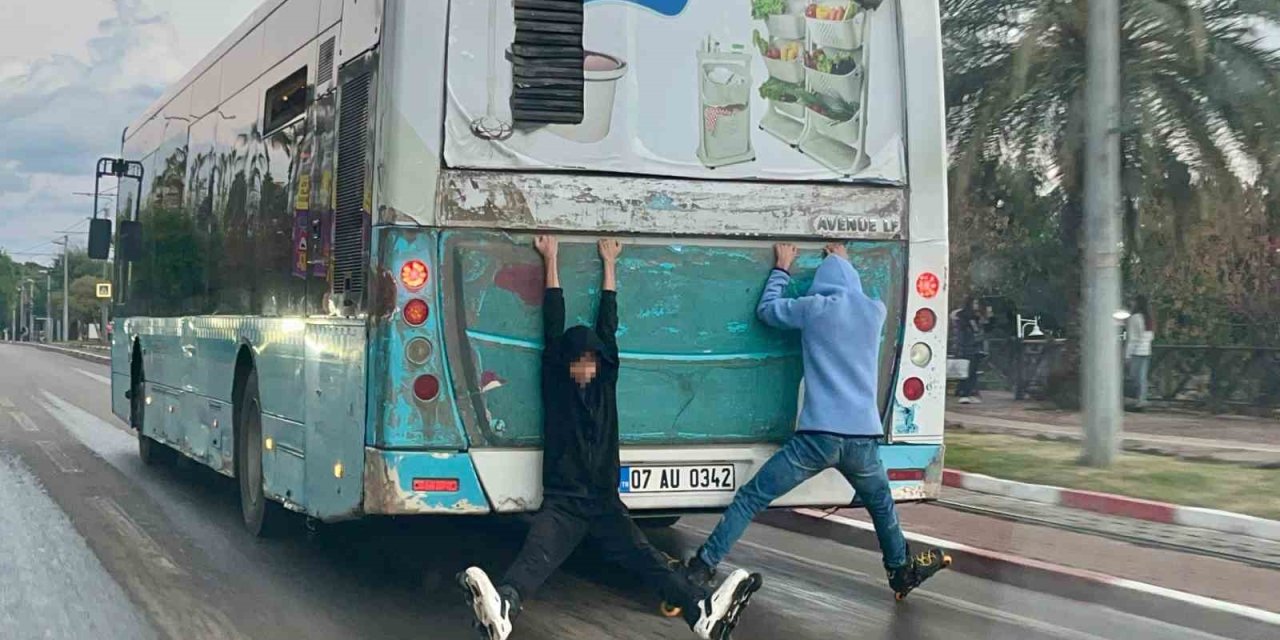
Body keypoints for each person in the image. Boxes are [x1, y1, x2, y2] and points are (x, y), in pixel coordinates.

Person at [458, 236, 762, 640]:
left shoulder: (606, 381)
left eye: (592, 360)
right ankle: (503, 608)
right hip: (564, 503)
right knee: (536, 558)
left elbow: (608, 323)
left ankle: (700, 612)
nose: (586, 367)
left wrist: (610, 265)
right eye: (579, 360)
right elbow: (552, 320)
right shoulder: (555, 380)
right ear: (566, 361)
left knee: (647, 560)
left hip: (603, 503)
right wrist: (551, 258)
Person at [682, 242, 949, 601]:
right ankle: (900, 571)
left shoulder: (814, 309)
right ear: (850, 277)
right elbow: (861, 288)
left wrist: (782, 268)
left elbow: (767, 311)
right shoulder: (874, 311)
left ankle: (702, 567)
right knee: (881, 505)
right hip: (862, 441)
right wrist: (844, 261)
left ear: (821, 282)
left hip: (816, 439)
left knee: (752, 498)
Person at [954, 297, 988, 404]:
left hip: (976, 346)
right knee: (967, 370)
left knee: (973, 371)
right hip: (967, 346)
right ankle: (964, 393)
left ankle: (969, 392)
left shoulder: (977, 317)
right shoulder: (964, 317)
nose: (976, 305)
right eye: (975, 303)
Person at [1125, 295, 1156, 411]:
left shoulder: (1134, 318)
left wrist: (1127, 355)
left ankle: (1139, 400)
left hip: (1136, 351)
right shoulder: (1148, 318)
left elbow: (1132, 338)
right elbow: (1150, 336)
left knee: (1135, 376)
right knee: (1142, 377)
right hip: (1146, 350)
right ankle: (1142, 399)